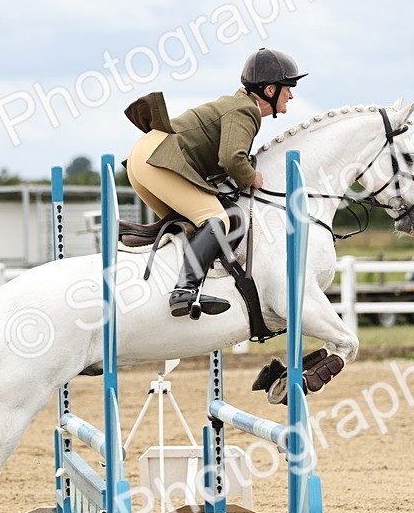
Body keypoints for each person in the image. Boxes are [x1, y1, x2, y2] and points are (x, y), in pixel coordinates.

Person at [123, 47, 307, 319]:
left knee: (198, 226)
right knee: (216, 219)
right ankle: (185, 290)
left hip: (144, 159)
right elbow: (232, 159)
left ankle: (164, 282)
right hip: (158, 159)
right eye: (288, 87)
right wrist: (251, 177)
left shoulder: (237, 106)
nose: (291, 94)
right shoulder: (246, 110)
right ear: (270, 90)